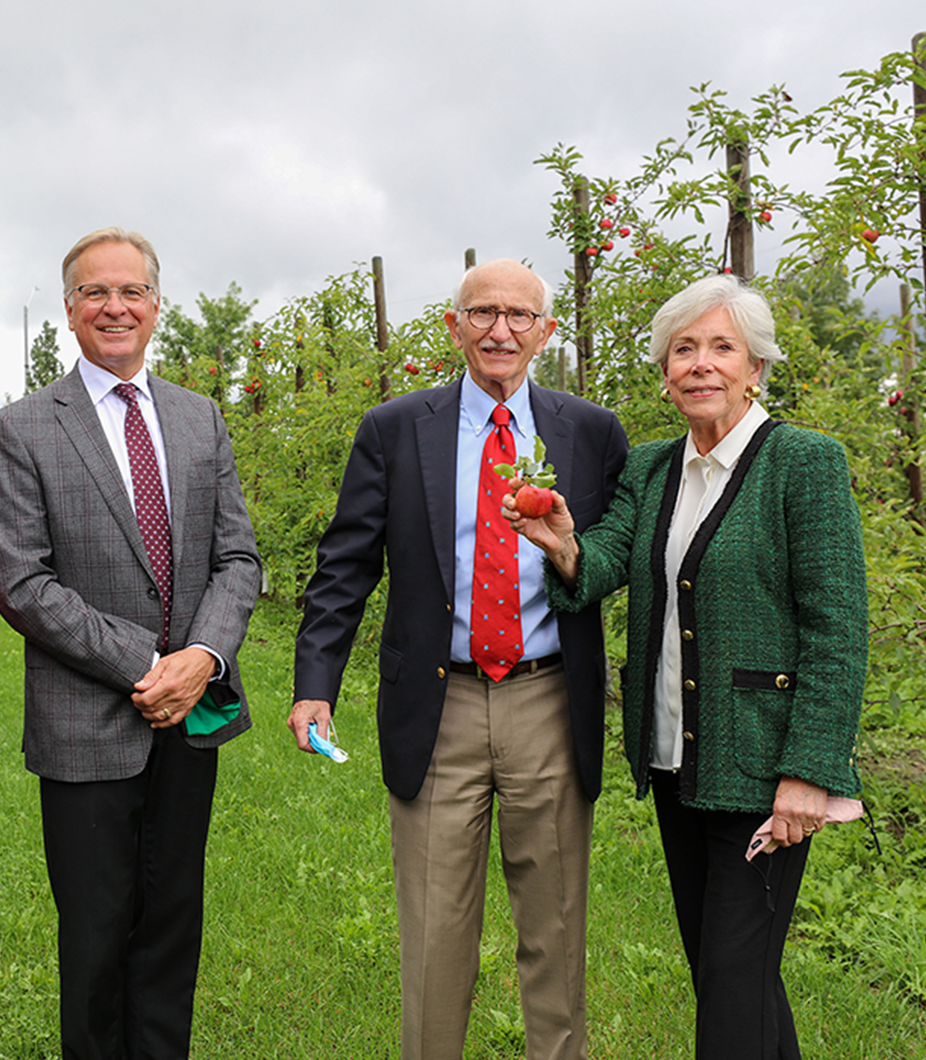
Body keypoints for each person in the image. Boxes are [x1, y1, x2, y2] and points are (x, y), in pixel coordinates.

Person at [507, 274, 866, 1059]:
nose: (701, 364)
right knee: (732, 976)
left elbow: (838, 630)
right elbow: (603, 562)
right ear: (666, 373)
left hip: (763, 769)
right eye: (683, 350)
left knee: (734, 985)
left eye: (721, 347)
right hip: (677, 764)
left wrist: (810, 770)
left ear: (756, 368)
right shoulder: (652, 469)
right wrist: (565, 542)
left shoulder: (803, 465)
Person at [291, 259, 628, 1060]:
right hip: (438, 705)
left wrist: (575, 554)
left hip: (548, 699)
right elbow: (345, 566)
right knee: (436, 932)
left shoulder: (591, 432)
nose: (500, 330)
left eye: (519, 316)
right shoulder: (395, 429)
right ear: (454, 327)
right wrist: (314, 687)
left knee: (555, 926)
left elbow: (614, 557)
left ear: (545, 332)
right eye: (481, 313)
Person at [0, 227, 262, 1060]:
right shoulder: (23, 428)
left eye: (131, 291)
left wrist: (202, 658)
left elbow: (238, 557)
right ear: (69, 311)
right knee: (97, 942)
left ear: (155, 304)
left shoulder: (199, 418)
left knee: (173, 927)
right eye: (95, 293)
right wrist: (147, 664)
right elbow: (22, 583)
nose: (115, 306)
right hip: (87, 727)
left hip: (192, 717)